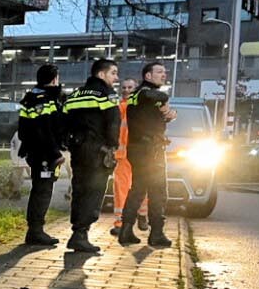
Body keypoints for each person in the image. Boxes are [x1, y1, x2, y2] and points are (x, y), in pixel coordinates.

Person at [59, 58, 122, 254]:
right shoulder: (107, 94)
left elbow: (64, 121)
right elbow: (113, 122)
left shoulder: (76, 94)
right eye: (113, 73)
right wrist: (112, 146)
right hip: (98, 151)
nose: (116, 77)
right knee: (93, 192)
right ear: (101, 74)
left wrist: (68, 142)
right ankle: (80, 235)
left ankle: (76, 231)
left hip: (77, 150)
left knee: (78, 190)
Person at [118, 62, 177, 248]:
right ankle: (156, 233)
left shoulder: (137, 96)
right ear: (148, 76)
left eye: (164, 72)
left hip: (138, 149)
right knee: (158, 191)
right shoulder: (144, 93)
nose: (164, 75)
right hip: (150, 150)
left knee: (137, 190)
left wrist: (167, 111)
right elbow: (159, 97)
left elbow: (167, 114)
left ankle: (126, 230)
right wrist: (165, 102)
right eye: (159, 72)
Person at [15, 64, 67, 245]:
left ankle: (35, 229)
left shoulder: (30, 98)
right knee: (43, 191)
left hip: (35, 154)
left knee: (39, 189)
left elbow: (23, 131)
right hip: (45, 156)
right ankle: (36, 231)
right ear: (54, 79)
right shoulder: (45, 100)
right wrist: (55, 154)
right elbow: (44, 130)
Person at [110, 79, 134, 236]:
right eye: (124, 87)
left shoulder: (131, 107)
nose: (126, 90)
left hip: (134, 155)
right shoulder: (118, 107)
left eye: (130, 87)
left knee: (135, 190)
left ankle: (134, 219)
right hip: (123, 156)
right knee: (121, 190)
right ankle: (121, 222)